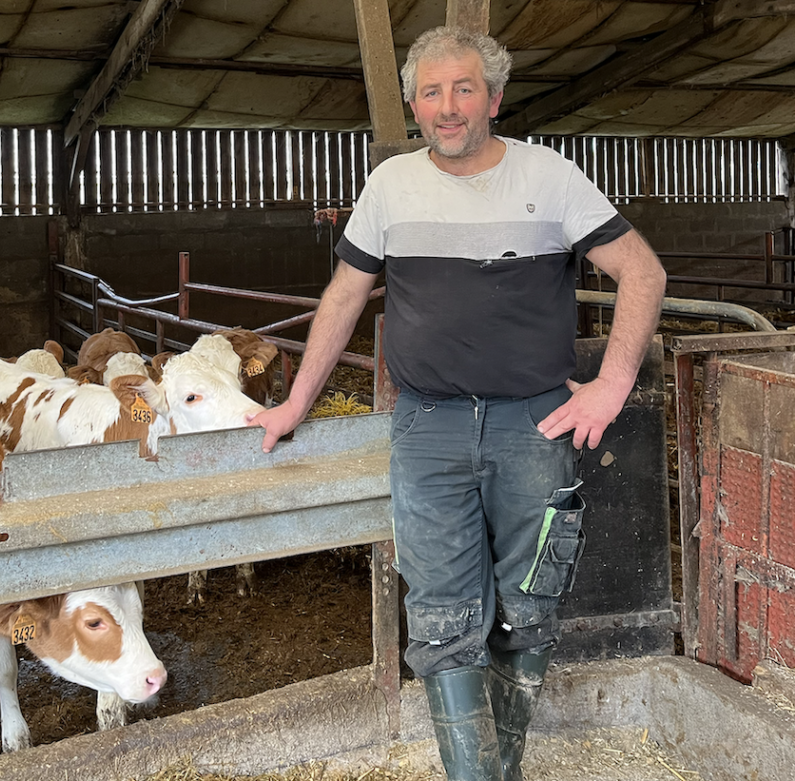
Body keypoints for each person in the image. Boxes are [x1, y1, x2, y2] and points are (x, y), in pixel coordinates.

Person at [249, 25, 666, 781]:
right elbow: (346, 294)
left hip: (533, 422)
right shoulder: (391, 187)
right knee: (442, 612)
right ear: (413, 102)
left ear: (494, 99)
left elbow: (642, 271)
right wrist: (293, 401)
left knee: (531, 602)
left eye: (463, 88)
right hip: (428, 425)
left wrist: (612, 381)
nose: (447, 107)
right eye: (431, 92)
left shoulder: (552, 176)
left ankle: (495, 768)